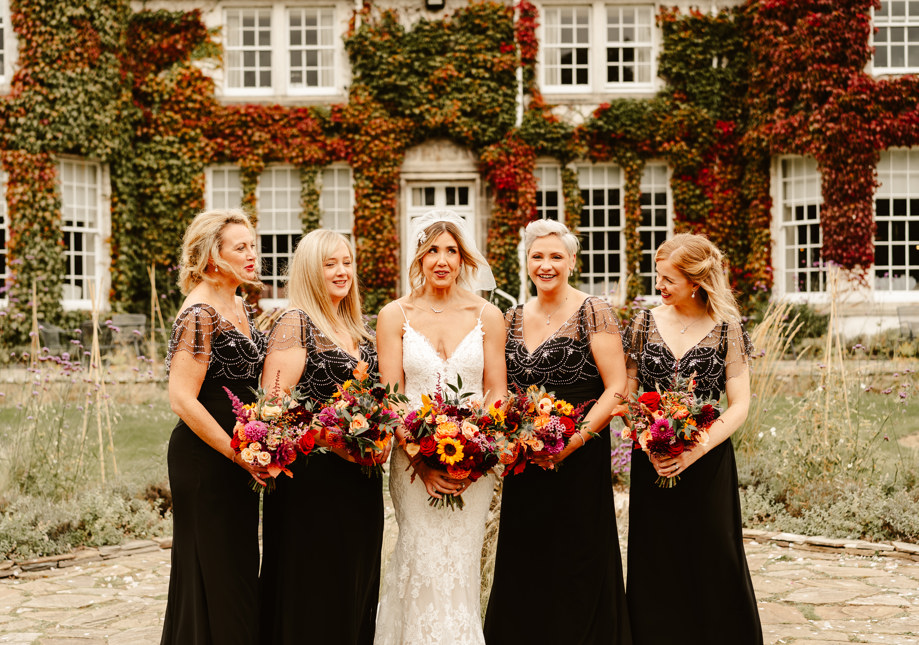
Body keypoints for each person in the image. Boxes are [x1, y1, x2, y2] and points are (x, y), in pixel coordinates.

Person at [483, 219, 632, 644]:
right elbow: (497, 389)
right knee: (525, 560)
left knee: (578, 561)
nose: (545, 265)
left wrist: (573, 442)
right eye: (537, 256)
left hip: (579, 460)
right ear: (525, 262)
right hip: (524, 462)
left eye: (555, 256)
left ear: (571, 261)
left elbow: (616, 387)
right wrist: (507, 436)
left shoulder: (593, 310)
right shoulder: (509, 318)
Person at [374, 210, 506, 645]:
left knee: (459, 566)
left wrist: (476, 456)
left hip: (474, 464)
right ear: (419, 257)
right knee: (420, 556)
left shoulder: (488, 315)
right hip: (412, 463)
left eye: (451, 250)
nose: (442, 259)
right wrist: (422, 464)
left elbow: (495, 393)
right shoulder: (394, 315)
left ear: (464, 257)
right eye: (432, 250)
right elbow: (392, 400)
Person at [623, 233, 763, 645]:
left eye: (668, 280)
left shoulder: (727, 329)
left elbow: (738, 404)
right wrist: (648, 442)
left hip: (708, 460)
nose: (659, 287)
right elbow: (627, 392)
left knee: (713, 556)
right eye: (657, 277)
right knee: (655, 557)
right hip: (651, 458)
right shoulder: (644, 322)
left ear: (696, 282)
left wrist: (694, 450)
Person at [258, 229, 384, 645]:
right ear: (310, 271)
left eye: (347, 262)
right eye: (330, 264)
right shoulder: (296, 323)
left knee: (354, 588)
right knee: (314, 592)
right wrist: (333, 438)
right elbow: (273, 410)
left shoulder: (358, 330)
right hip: (312, 486)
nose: (342, 271)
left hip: (360, 486)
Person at [161, 209, 267, 645]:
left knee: (237, 567)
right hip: (205, 460)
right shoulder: (200, 312)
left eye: (252, 246)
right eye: (240, 248)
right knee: (214, 573)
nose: (252, 255)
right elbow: (182, 398)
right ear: (211, 258)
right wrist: (235, 451)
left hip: (237, 458)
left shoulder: (239, 304)